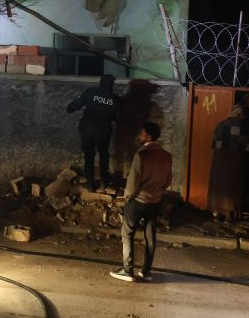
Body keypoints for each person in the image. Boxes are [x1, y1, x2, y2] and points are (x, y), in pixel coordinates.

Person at [110, 122, 173, 282]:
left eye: (142, 133)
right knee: (150, 237)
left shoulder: (141, 155)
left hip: (138, 201)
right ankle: (147, 271)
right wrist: (157, 191)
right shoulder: (167, 156)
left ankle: (128, 270)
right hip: (155, 201)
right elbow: (167, 181)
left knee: (127, 234)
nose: (140, 136)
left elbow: (132, 182)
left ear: (149, 136)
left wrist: (127, 197)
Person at [66, 73, 119, 188]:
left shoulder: (91, 92)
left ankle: (90, 182)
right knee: (103, 154)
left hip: (87, 130)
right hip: (103, 132)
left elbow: (74, 106)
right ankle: (104, 180)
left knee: (89, 155)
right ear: (111, 84)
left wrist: (70, 108)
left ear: (100, 82)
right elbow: (119, 118)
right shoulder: (115, 100)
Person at [207, 104, 249, 221]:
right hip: (236, 158)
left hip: (219, 158)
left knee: (219, 184)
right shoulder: (244, 127)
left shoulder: (220, 125)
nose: (243, 116)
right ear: (239, 114)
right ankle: (230, 214)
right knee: (233, 185)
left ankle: (217, 212)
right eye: (243, 114)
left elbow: (213, 143)